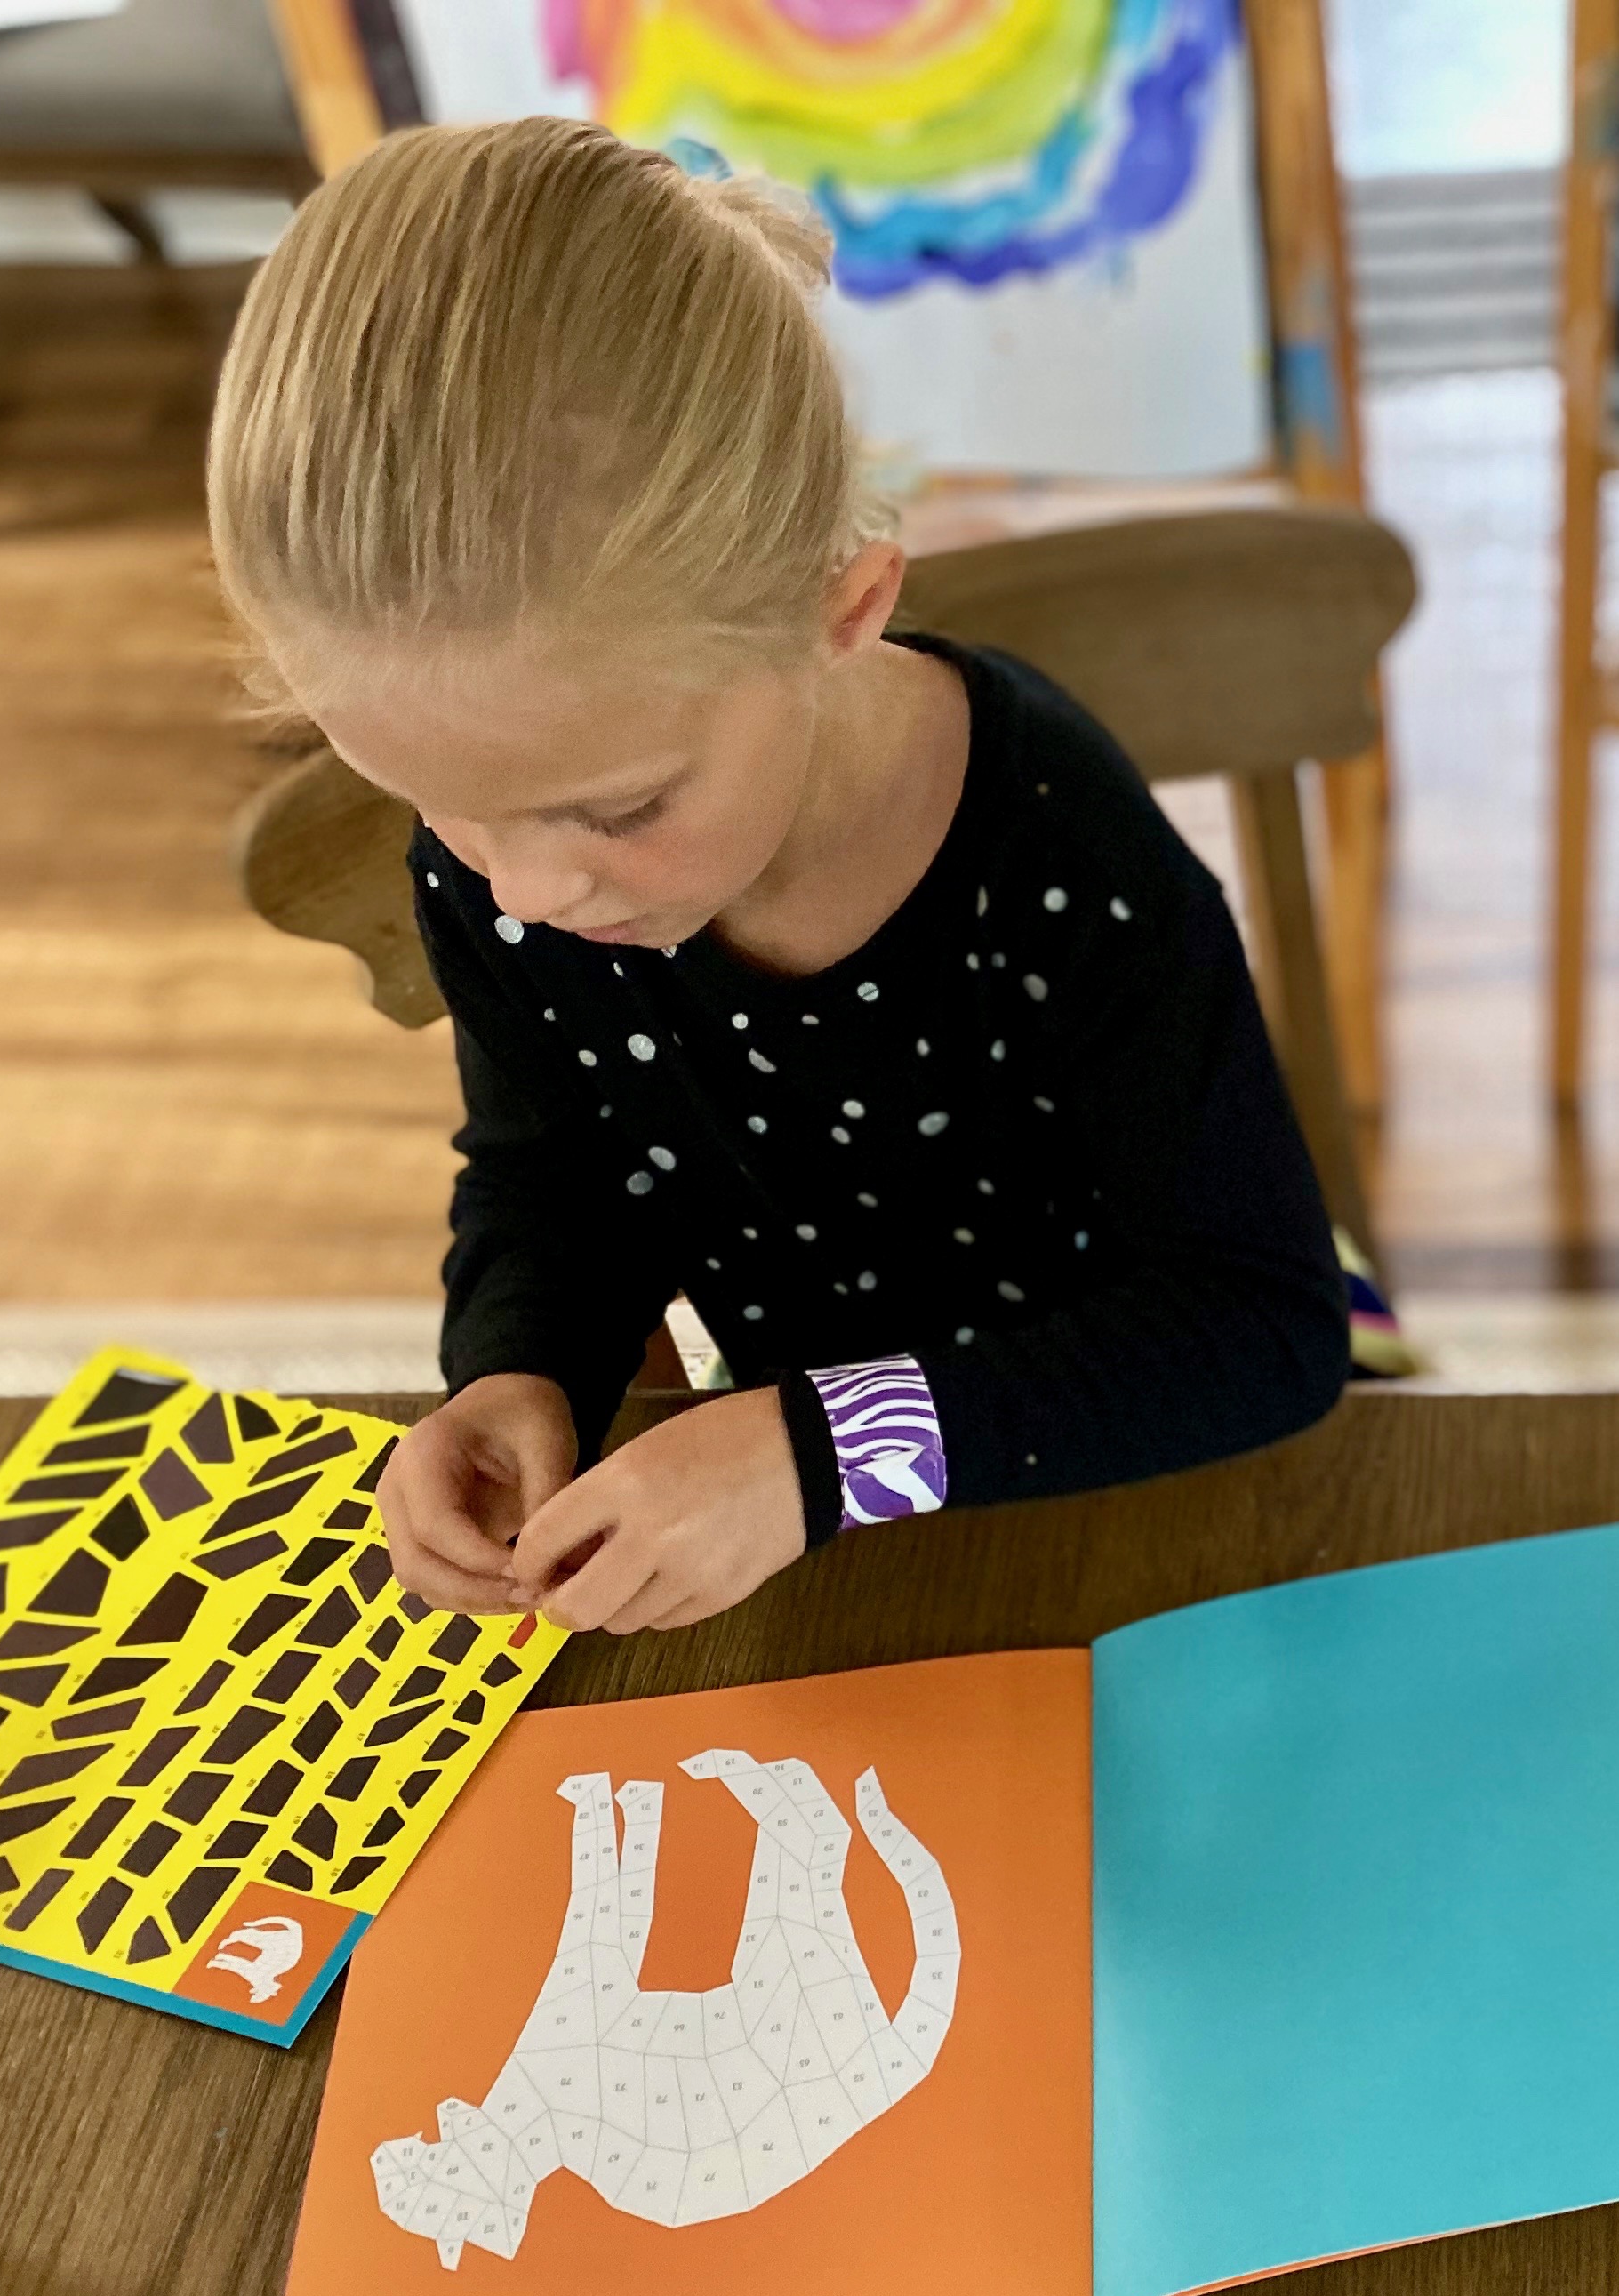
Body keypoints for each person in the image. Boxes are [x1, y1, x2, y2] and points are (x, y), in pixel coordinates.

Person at [206, 119, 1348, 1634]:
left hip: (1135, 1479)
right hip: (793, 1507)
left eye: (621, 806)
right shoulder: (507, 869)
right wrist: (516, 1368)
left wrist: (826, 1453)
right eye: (441, 808)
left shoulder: (1054, 849)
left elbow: (1262, 1331)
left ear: (843, 607)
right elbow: (558, 1172)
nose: (529, 893)